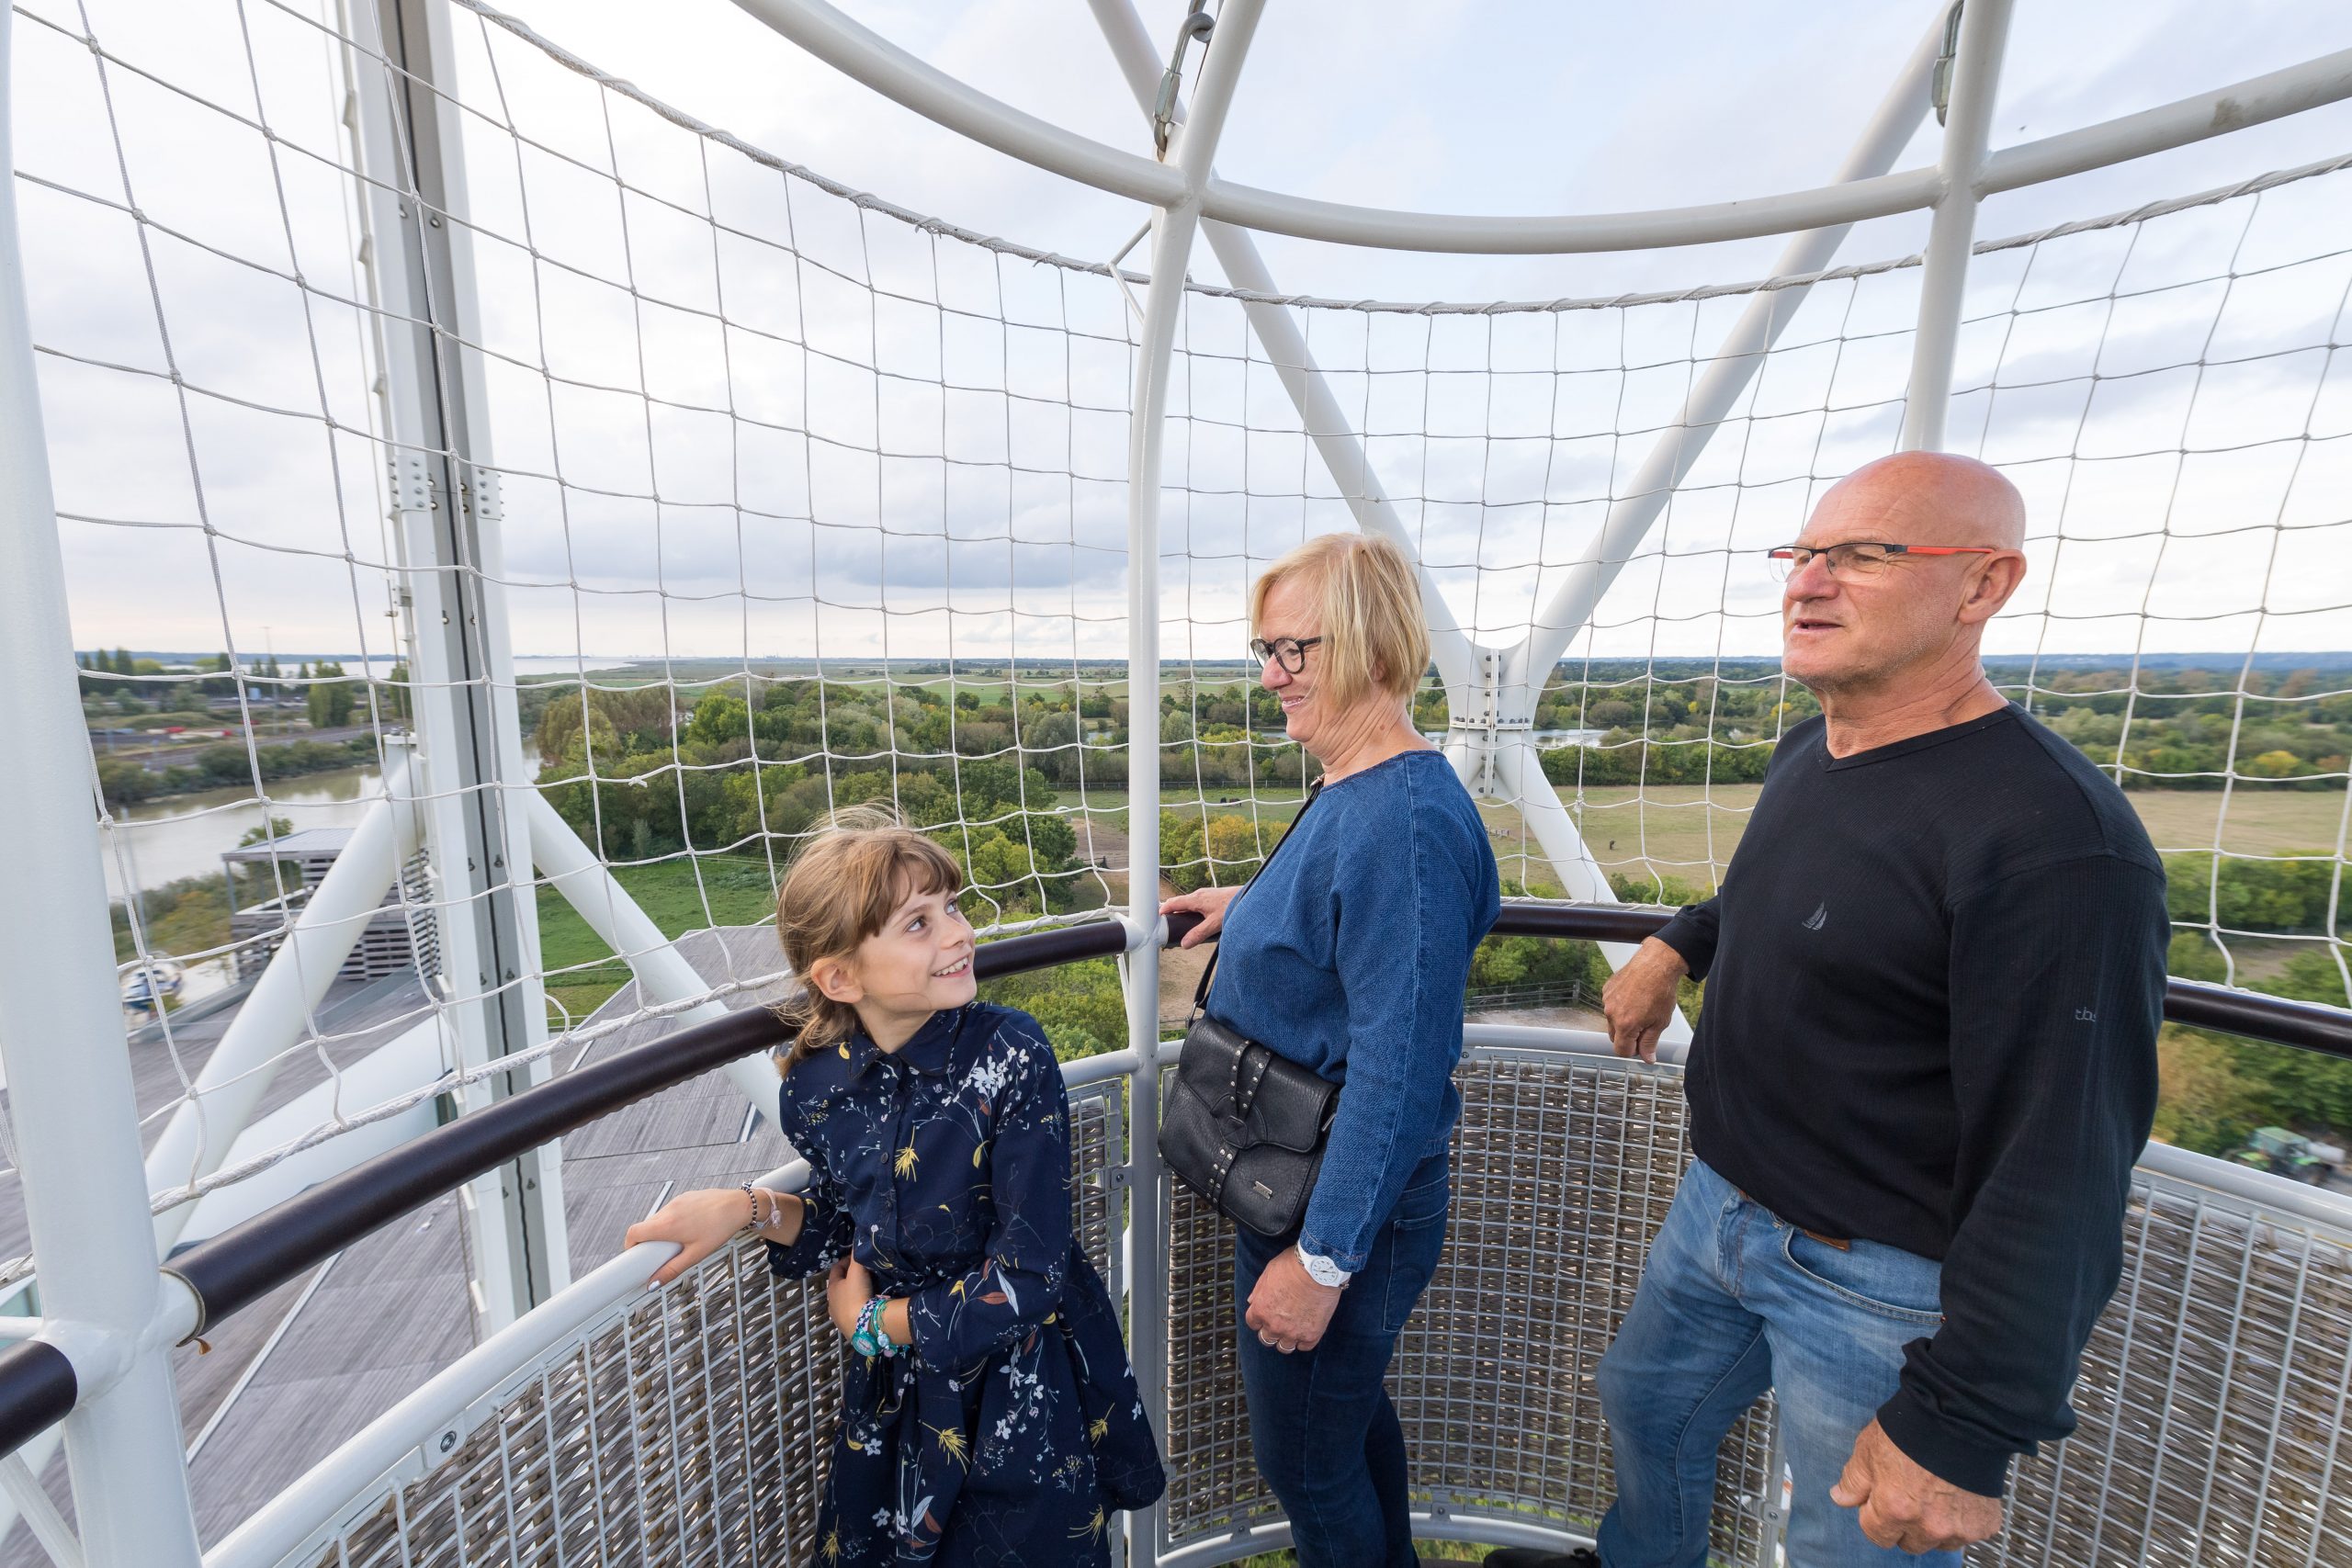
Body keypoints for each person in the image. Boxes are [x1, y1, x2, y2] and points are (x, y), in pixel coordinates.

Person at [1492, 451, 2166, 1568]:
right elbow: (1793, 894)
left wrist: (1960, 1427)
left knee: (1847, 1543)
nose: (1809, 582)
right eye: (1803, 553)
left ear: (1984, 586)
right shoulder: (1816, 748)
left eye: (1863, 555)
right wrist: (1678, 942)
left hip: (1879, 1275)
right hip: (1719, 1208)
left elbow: (2063, 1158)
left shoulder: (2053, 846)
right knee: (1645, 1411)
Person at [626, 814, 1163, 1567]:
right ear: (841, 976)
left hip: (1018, 1389)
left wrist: (879, 1323)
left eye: (953, 905)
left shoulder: (1010, 1054)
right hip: (901, 1404)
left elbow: (1032, 1275)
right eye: (919, 922)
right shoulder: (817, 1083)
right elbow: (849, 1222)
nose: (958, 933)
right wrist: (747, 1209)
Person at [1160, 532, 1500, 1568]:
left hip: (1339, 1209)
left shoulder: (1398, 822)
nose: (1270, 677)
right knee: (1340, 1434)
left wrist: (1319, 1264)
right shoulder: (1359, 791)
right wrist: (1255, 906)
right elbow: (1350, 936)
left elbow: (1399, 1076)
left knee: (1306, 1464)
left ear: (1368, 645)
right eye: (1263, 650)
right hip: (1305, 1188)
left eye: (1293, 651)